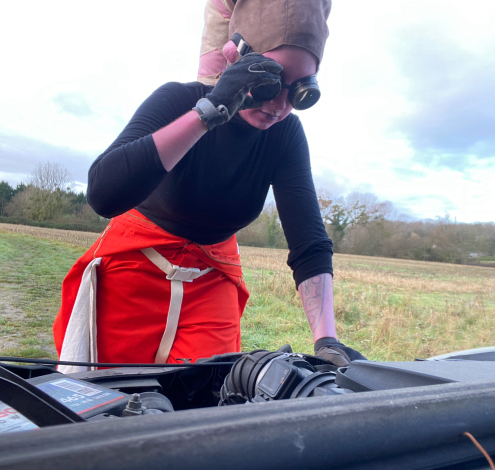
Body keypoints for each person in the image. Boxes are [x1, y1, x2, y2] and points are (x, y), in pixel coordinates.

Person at [53, 0, 366, 372]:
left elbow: (308, 241)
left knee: (207, 389)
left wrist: (327, 341)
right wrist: (210, 110)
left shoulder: (285, 135)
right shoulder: (178, 99)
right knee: (113, 390)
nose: (280, 105)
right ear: (238, 58)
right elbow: (104, 194)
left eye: (299, 90)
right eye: (271, 82)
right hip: (134, 264)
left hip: (212, 278)